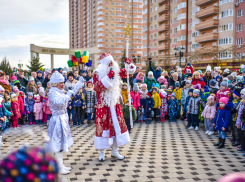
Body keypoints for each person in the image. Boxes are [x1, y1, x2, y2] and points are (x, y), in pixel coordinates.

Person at [92, 52, 136, 161]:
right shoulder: (97, 73)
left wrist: (128, 65)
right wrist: (108, 76)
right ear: (104, 64)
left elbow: (128, 74)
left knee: (117, 127)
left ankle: (115, 151)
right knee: (103, 128)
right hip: (103, 106)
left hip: (114, 104)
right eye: (108, 63)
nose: (111, 64)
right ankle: (102, 152)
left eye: (112, 62)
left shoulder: (116, 72)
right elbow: (97, 87)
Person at [45, 71, 84, 174]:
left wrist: (79, 84)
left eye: (63, 82)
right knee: (58, 145)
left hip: (62, 119)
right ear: (54, 84)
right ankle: (58, 167)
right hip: (57, 120)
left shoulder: (59, 91)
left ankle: (60, 165)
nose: (62, 84)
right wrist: (69, 94)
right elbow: (58, 102)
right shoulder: (52, 92)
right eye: (60, 83)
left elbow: (72, 93)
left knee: (61, 144)